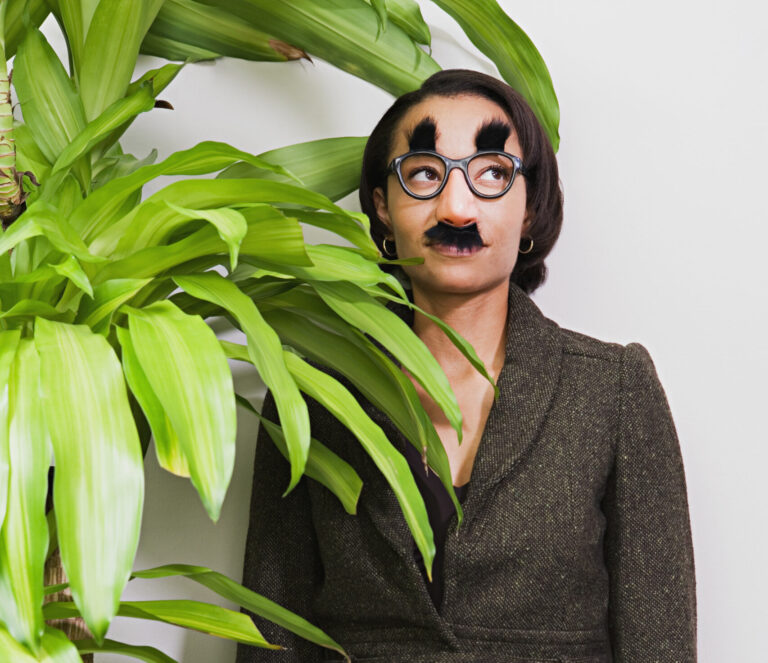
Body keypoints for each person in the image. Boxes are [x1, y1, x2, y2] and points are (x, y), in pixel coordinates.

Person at [236, 69, 697, 662]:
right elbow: (270, 634)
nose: (456, 207)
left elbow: (660, 643)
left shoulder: (612, 390)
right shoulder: (311, 395)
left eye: (492, 174)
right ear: (382, 207)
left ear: (530, 208)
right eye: (425, 173)